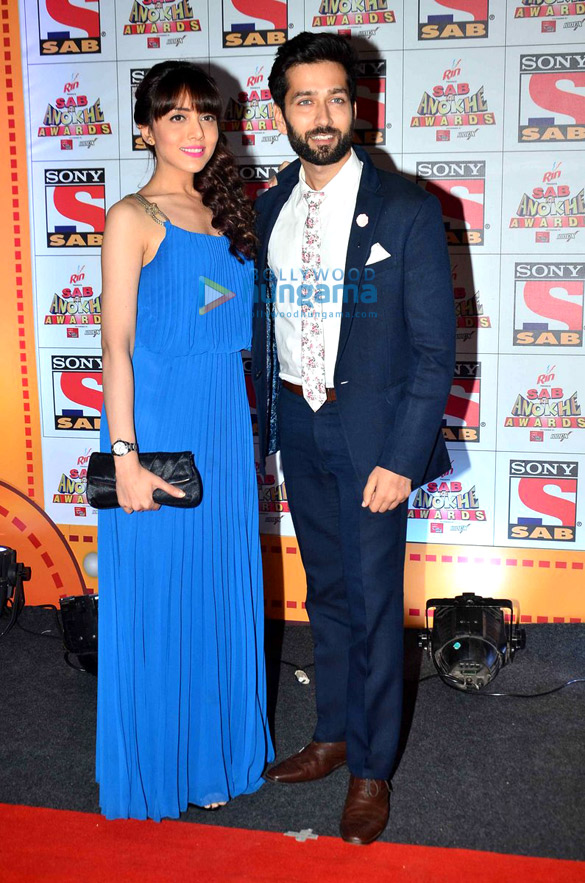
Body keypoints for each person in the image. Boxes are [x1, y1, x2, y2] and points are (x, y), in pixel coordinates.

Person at [252, 33, 455, 845]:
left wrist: (401, 458)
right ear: (281, 111)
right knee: (328, 593)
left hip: (371, 434)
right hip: (298, 424)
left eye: (335, 97)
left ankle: (371, 768)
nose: (322, 115)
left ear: (356, 105)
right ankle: (332, 733)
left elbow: (435, 350)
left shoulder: (406, 207)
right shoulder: (268, 206)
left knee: (372, 604)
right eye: (304, 99)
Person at [97, 60, 273, 820]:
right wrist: (127, 460)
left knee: (217, 588)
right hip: (159, 423)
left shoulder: (230, 213)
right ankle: (159, 768)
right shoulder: (132, 216)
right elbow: (115, 347)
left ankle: (215, 756)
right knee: (161, 594)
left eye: (205, 114)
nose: (195, 130)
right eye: (175, 115)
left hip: (223, 422)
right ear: (145, 130)